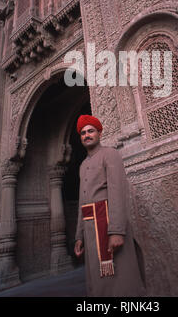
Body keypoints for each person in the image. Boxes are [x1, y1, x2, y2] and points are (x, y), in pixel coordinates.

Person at [74, 114, 146, 297]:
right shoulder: (83, 165)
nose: (87, 135)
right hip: (90, 228)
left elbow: (117, 192)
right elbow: (83, 202)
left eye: (90, 131)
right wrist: (79, 236)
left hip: (108, 223)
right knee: (98, 282)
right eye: (83, 133)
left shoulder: (110, 154)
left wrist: (116, 231)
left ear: (99, 133)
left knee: (122, 277)